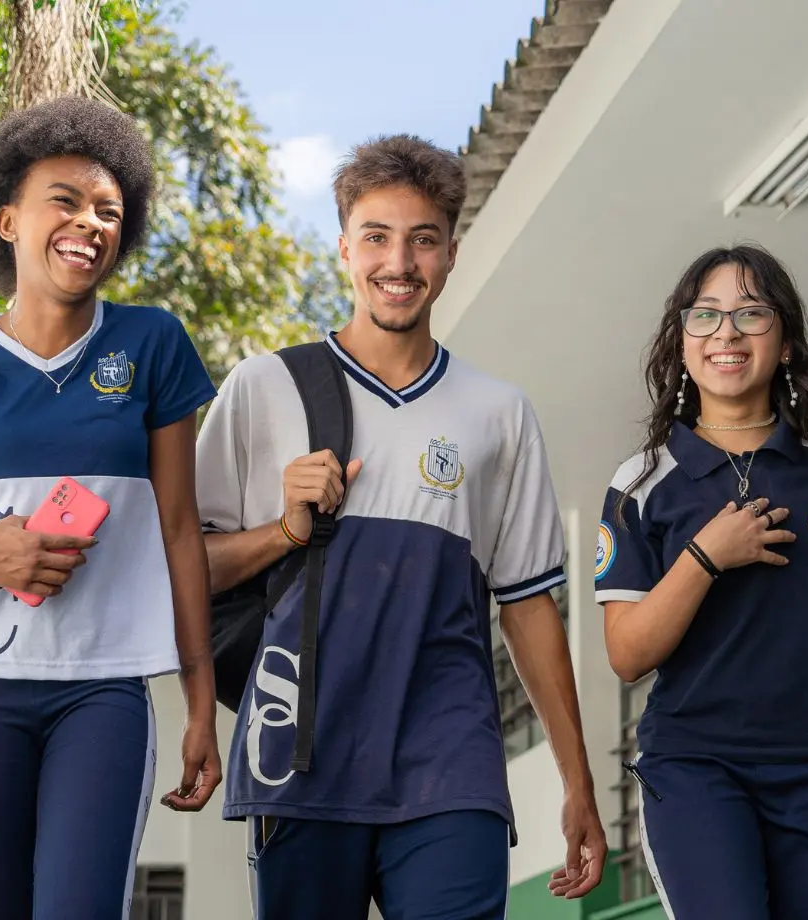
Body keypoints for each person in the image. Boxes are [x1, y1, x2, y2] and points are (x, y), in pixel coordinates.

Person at [195, 134, 607, 919]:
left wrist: (577, 782)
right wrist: (284, 529)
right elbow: (191, 572)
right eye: (377, 237)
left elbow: (526, 607)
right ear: (345, 248)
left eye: (422, 240)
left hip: (448, 758)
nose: (400, 262)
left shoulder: (498, 413)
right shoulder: (264, 387)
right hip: (302, 754)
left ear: (451, 253)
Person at [0, 96, 222, 920]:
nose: (88, 222)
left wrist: (201, 704)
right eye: (64, 199)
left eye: (109, 210)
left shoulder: (151, 344)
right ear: (8, 218)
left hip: (103, 693)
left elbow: (178, 534)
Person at [595, 245, 808, 919]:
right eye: (706, 314)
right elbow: (627, 654)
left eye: (751, 313)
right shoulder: (642, 482)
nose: (727, 333)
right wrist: (705, 556)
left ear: (784, 341)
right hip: (697, 770)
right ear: (680, 340)